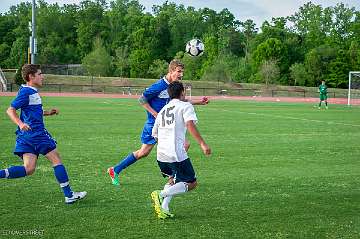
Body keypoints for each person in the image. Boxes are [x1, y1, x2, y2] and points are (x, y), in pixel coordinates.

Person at [107, 59, 208, 186]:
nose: (181, 74)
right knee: (183, 144)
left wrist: (199, 102)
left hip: (164, 124)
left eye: (182, 72)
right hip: (154, 124)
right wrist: (155, 114)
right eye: (179, 71)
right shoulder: (159, 85)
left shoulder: (172, 87)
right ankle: (173, 177)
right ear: (171, 71)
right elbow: (142, 99)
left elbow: (180, 100)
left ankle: (115, 170)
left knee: (144, 152)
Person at [0, 64, 87, 204]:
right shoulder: (27, 92)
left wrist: (47, 112)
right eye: (40, 74)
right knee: (56, 159)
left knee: (29, 169)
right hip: (37, 134)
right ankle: (69, 195)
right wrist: (21, 124)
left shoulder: (30, 91)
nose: (43, 76)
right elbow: (10, 110)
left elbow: (31, 111)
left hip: (27, 137)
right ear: (31, 76)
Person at [150, 81, 211, 219]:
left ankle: (164, 208)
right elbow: (189, 124)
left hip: (161, 155)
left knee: (172, 179)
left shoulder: (163, 110)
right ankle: (160, 194)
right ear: (182, 92)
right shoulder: (185, 106)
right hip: (175, 154)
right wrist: (202, 144)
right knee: (192, 182)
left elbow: (155, 134)